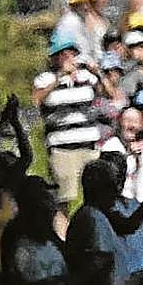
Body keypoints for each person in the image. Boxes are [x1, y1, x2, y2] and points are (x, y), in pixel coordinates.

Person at [33, 34, 101, 209]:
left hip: (89, 147)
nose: (69, 57)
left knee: (94, 197)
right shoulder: (45, 79)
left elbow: (110, 94)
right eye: (64, 54)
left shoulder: (86, 77)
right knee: (65, 199)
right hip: (62, 150)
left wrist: (97, 72)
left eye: (72, 53)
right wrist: (59, 78)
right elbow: (35, 100)